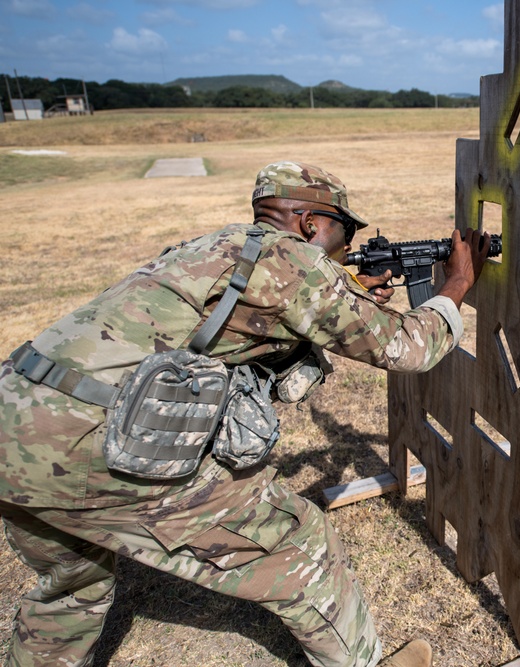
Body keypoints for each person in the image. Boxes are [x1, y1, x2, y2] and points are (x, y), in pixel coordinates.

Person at [0, 161, 491, 667]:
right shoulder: (292, 263)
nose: (346, 249)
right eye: (345, 233)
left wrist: (347, 297)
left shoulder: (219, 247)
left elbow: (246, 338)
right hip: (88, 443)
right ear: (309, 223)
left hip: (14, 425)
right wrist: (455, 283)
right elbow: (408, 348)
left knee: (71, 585)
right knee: (301, 542)